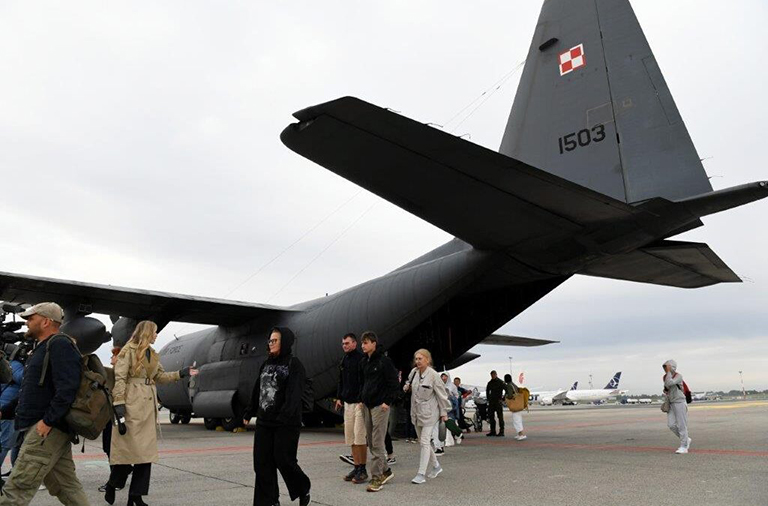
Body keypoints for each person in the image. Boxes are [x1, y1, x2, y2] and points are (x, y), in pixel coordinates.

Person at [0, 302, 89, 505]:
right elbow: (30, 392)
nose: (27, 323)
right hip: (44, 428)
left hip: (45, 430)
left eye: (31, 318)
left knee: (17, 488)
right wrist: (4, 412)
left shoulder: (60, 344)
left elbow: (67, 389)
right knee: (67, 488)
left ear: (46, 321)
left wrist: (47, 421)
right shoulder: (39, 349)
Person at [105, 321, 197, 506]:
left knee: (145, 455)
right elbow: (120, 378)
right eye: (155, 332)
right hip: (131, 406)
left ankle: (135, 497)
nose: (156, 335)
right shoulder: (127, 351)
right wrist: (119, 404)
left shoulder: (152, 354)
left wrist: (181, 373)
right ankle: (112, 484)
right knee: (125, 454)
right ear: (147, 332)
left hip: (147, 407)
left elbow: (160, 377)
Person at [243, 327, 311, 506]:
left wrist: (284, 416)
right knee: (262, 463)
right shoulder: (266, 364)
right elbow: (258, 388)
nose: (270, 344)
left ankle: (303, 488)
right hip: (264, 422)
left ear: (285, 342)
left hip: (286, 423)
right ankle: (269, 501)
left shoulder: (294, 364)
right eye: (270, 341)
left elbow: (294, 394)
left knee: (284, 460)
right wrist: (249, 411)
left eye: (275, 340)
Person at [358, 331, 399, 492]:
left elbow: (394, 383)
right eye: (362, 343)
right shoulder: (364, 362)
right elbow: (362, 382)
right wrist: (361, 399)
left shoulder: (384, 361)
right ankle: (386, 470)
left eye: (366, 342)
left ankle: (376, 477)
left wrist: (387, 402)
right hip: (366, 405)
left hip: (379, 406)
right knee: (370, 440)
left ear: (374, 343)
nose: (363, 345)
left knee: (377, 441)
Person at [403, 349, 450, 484]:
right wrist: (407, 387)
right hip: (416, 412)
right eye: (416, 359)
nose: (417, 361)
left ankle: (421, 474)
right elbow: (410, 385)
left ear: (427, 360)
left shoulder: (434, 375)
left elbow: (442, 396)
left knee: (424, 441)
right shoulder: (414, 373)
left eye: (420, 359)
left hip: (430, 413)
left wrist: (444, 413)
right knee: (423, 442)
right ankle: (436, 466)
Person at [334, 333, 368, 484]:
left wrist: (362, 399)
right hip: (347, 403)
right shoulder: (344, 360)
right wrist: (339, 397)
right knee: (351, 438)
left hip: (359, 403)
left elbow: (365, 381)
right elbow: (341, 380)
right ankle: (356, 466)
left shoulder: (362, 359)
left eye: (347, 343)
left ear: (355, 343)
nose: (345, 346)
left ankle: (363, 468)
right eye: (343, 344)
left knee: (360, 437)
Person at [98, 346, 121, 494]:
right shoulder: (110, 373)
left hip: (116, 417)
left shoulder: (120, 375)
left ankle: (116, 480)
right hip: (109, 417)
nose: (111, 359)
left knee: (113, 449)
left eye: (114, 356)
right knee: (108, 448)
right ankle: (120, 474)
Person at [0, 344, 24, 474]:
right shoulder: (13, 364)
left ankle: (16, 472)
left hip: (14, 407)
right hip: (8, 408)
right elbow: (22, 378)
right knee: (5, 443)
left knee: (17, 444)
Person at [663, 360, 691, 454]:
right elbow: (666, 386)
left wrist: (668, 373)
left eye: (667, 367)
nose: (665, 369)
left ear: (672, 367)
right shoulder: (665, 376)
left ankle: (684, 446)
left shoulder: (679, 376)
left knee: (682, 424)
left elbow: (670, 383)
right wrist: (667, 374)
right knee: (671, 425)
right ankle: (686, 439)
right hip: (671, 402)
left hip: (679, 402)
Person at [503, 374, 526, 440]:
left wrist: (506, 397)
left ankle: (521, 434)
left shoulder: (509, 385)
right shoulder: (513, 384)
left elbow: (510, 395)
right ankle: (520, 433)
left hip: (515, 405)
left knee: (516, 420)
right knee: (518, 419)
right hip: (518, 404)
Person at [486, 370, 505, 437]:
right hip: (491, 402)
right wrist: (488, 399)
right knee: (491, 416)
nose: (493, 376)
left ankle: (502, 431)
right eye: (492, 375)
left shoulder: (500, 382)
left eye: (494, 375)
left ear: (496, 374)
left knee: (500, 417)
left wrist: (503, 399)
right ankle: (493, 431)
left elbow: (506, 390)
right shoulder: (490, 383)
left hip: (498, 401)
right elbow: (487, 391)